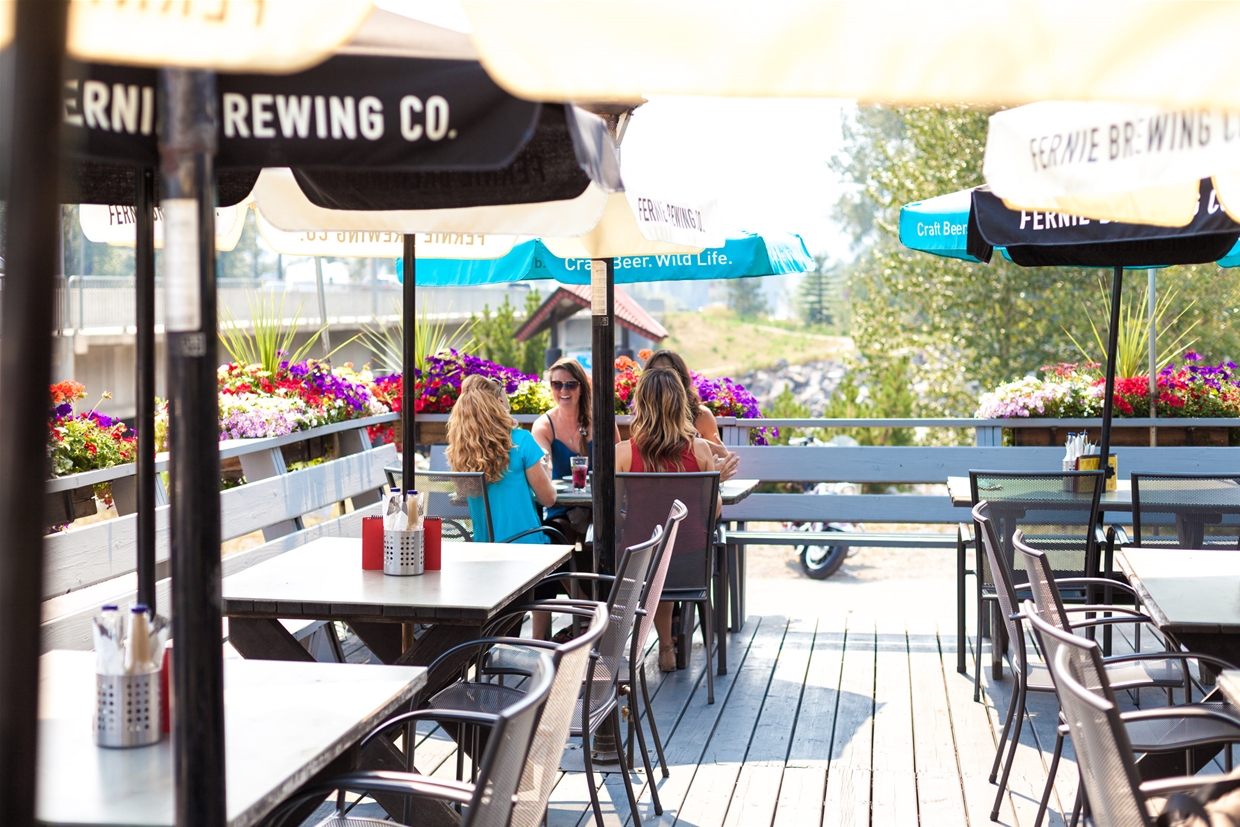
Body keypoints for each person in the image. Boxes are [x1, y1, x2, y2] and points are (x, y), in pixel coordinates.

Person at [616, 367, 722, 672]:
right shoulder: (700, 450)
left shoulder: (623, 453)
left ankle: (629, 648)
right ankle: (665, 646)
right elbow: (711, 511)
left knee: (651, 554)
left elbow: (611, 513)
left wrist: (637, 521)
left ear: (641, 405)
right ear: (680, 404)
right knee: (668, 555)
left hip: (637, 564)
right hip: (689, 563)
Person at [644, 349, 739, 481]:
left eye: (669, 376)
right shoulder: (644, 421)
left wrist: (719, 461)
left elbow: (714, 462)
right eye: (655, 376)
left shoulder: (702, 416)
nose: (662, 381)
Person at [531, 358, 597, 546]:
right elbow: (544, 461)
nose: (564, 391)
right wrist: (543, 460)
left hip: (597, 509)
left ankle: (595, 576)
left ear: (582, 387)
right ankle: (562, 576)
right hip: (560, 508)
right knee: (556, 534)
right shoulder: (544, 425)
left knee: (602, 534)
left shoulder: (600, 422)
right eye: (557, 385)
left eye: (571, 385)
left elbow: (617, 467)